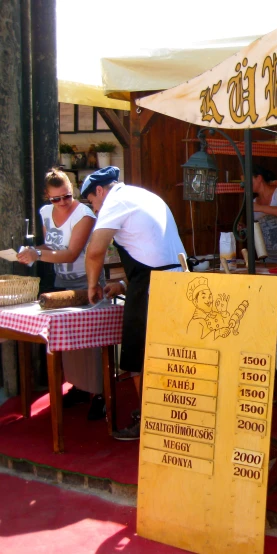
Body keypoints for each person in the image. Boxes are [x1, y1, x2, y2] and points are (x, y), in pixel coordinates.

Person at [82, 166, 185, 440]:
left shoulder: (115, 200)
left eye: (92, 201)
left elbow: (94, 252)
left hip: (155, 287)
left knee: (139, 358)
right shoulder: (142, 195)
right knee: (171, 355)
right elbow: (154, 251)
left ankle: (151, 424)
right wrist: (125, 285)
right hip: (174, 279)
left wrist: (91, 286)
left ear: (100, 191)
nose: (94, 209)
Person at [17, 168, 106, 420]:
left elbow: (71, 252)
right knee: (67, 337)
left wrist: (38, 254)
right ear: (48, 197)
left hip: (85, 279)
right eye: (56, 199)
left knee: (90, 337)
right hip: (61, 279)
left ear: (72, 190)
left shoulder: (84, 214)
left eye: (66, 196)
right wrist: (32, 250)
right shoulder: (46, 213)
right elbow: (52, 246)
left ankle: (99, 394)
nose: (63, 203)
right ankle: (78, 386)